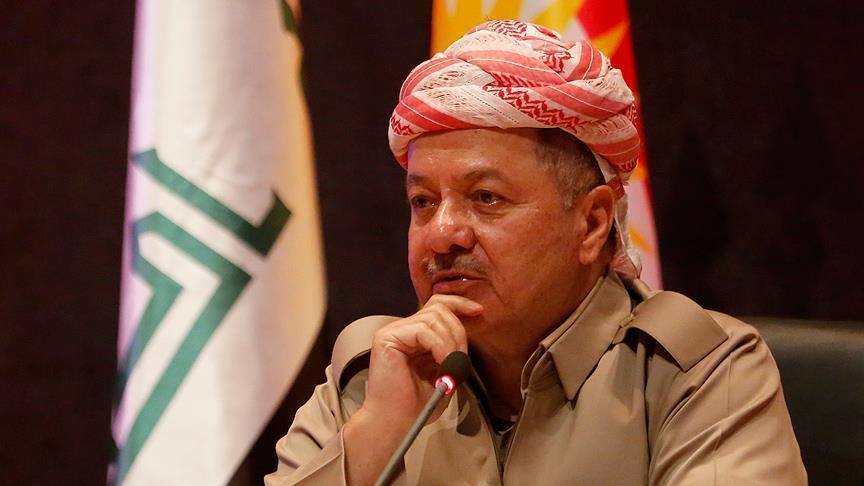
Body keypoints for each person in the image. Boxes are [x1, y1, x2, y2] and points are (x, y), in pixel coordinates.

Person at [265, 20, 806, 485]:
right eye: (423, 202)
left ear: (592, 222)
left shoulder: (698, 373)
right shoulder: (372, 373)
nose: (442, 233)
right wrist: (377, 433)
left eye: (486, 198)